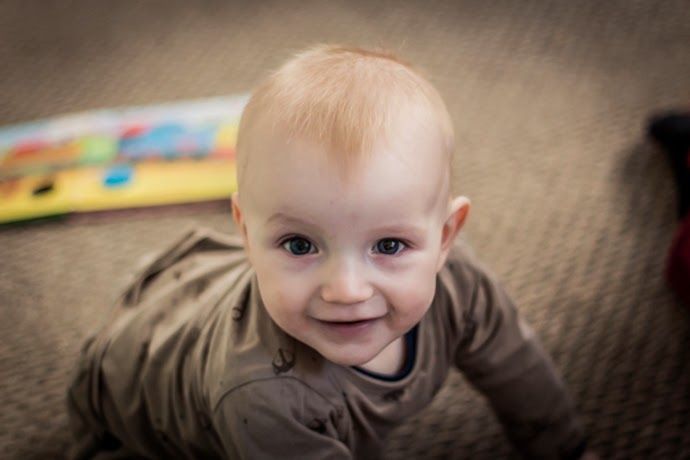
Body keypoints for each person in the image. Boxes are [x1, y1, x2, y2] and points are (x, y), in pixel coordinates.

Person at [67, 44, 596, 459]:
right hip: (132, 398)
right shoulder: (262, 394)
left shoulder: (462, 284)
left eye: (389, 245)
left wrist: (566, 449)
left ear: (444, 238)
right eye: (299, 244)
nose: (346, 290)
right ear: (246, 233)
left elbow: (518, 369)